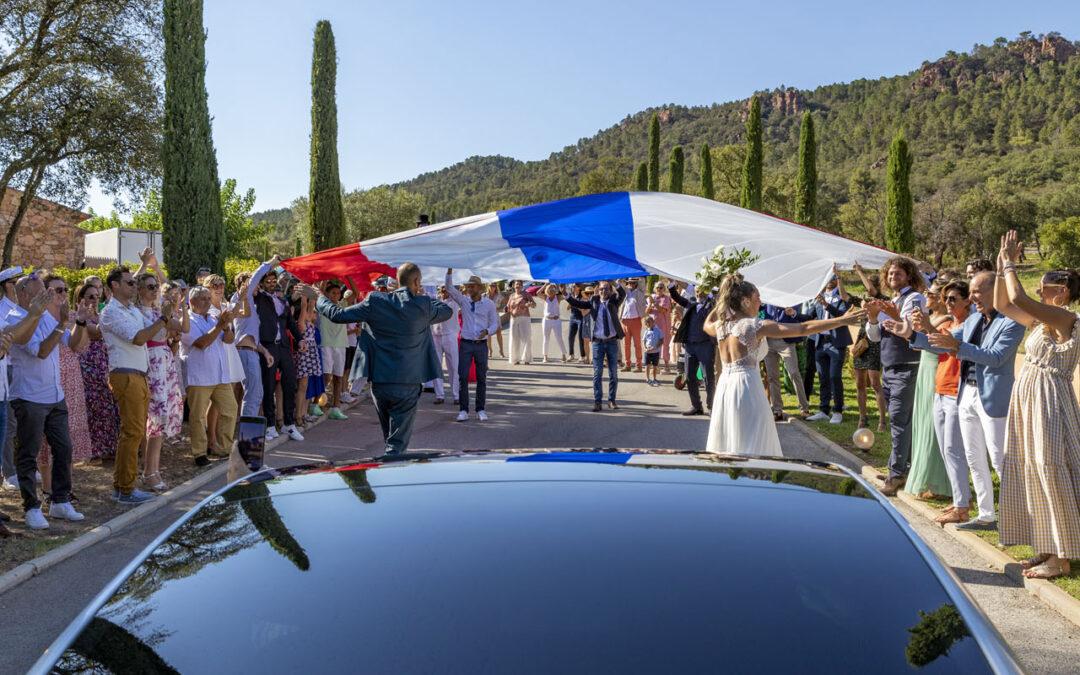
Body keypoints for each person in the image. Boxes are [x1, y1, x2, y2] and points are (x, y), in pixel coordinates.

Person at [888, 270, 1025, 525]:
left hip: (992, 398)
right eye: (971, 292)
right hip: (966, 393)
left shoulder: (1012, 322)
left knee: (998, 459)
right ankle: (986, 515)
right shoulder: (973, 321)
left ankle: (1016, 517)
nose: (973, 297)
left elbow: (995, 357)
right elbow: (943, 343)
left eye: (976, 291)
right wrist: (910, 335)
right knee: (973, 457)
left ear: (996, 292)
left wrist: (957, 346)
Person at [996, 231, 1080, 580]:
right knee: (1032, 465)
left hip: (1049, 401)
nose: (1039, 292)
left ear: (1060, 293)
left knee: (1049, 466)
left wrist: (1013, 263)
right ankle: (1047, 547)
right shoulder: (1043, 323)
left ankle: (1062, 557)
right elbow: (1003, 303)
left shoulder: (1066, 320)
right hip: (1030, 400)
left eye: (1044, 288)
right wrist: (1002, 267)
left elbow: (1018, 296)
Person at [703, 274, 864, 455]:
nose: (760, 302)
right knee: (753, 440)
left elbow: (706, 324)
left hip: (725, 386)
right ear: (745, 301)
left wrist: (722, 299)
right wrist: (841, 320)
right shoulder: (753, 326)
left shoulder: (720, 326)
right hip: (746, 387)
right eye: (757, 298)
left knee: (729, 439)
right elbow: (803, 328)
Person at [305, 263, 451, 455]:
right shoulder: (422, 305)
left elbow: (337, 315)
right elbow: (446, 311)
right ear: (416, 281)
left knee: (391, 438)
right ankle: (390, 469)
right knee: (396, 445)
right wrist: (421, 294)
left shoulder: (375, 301)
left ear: (396, 282)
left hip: (380, 381)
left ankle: (390, 472)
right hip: (408, 382)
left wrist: (319, 297)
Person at [10, 273, 90, 527]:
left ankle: (60, 501)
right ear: (24, 294)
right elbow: (42, 351)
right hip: (29, 397)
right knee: (29, 453)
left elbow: (73, 344)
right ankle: (31, 507)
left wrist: (79, 323)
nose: (46, 297)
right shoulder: (18, 320)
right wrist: (60, 324)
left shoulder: (48, 317)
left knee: (64, 448)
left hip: (55, 395)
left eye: (46, 292)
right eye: (39, 292)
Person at [100, 266, 168, 505]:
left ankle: (123, 486)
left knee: (134, 432)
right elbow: (139, 337)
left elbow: (155, 335)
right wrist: (164, 318)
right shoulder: (111, 312)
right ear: (115, 286)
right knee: (133, 432)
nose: (133, 286)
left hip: (138, 375)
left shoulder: (130, 310)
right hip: (125, 375)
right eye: (129, 282)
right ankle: (125, 488)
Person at [864, 256, 928, 496]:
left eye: (898, 274)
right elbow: (874, 337)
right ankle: (902, 466)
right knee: (899, 420)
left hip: (907, 366)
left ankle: (896, 474)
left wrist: (891, 314)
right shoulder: (891, 301)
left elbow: (911, 332)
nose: (893, 278)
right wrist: (872, 318)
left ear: (909, 276)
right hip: (889, 367)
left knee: (899, 421)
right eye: (890, 274)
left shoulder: (914, 299)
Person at [902, 279, 953, 501]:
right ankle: (924, 477)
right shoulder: (930, 316)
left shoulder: (946, 319)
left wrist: (924, 326)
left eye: (931, 294)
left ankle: (938, 482)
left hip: (936, 371)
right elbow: (915, 343)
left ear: (941, 298)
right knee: (922, 423)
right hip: (924, 369)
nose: (926, 297)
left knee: (934, 427)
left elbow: (936, 342)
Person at [928, 280, 973, 525]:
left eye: (953, 299)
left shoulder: (970, 325)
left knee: (954, 450)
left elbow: (934, 339)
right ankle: (961, 499)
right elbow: (925, 344)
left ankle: (962, 506)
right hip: (940, 389)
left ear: (968, 301)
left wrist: (927, 325)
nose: (948, 303)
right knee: (947, 450)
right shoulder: (949, 323)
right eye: (946, 299)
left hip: (957, 391)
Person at [134, 272, 184, 490]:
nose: (155, 290)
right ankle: (148, 471)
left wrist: (179, 304)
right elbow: (145, 336)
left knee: (162, 419)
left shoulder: (157, 310)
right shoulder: (136, 312)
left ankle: (154, 469)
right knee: (154, 418)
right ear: (139, 290)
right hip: (151, 364)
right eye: (150, 286)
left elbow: (182, 327)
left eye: (156, 286)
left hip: (165, 362)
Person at [182, 286, 237, 467]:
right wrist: (220, 325)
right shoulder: (187, 321)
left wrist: (227, 325)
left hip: (220, 376)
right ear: (192, 302)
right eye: (203, 299)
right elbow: (202, 343)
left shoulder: (213, 317)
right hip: (200, 376)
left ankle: (223, 448)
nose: (207, 301)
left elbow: (228, 340)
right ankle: (199, 453)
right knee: (197, 417)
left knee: (230, 410)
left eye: (208, 297)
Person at [254, 268, 303, 441]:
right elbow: (253, 283)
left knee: (290, 383)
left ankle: (289, 425)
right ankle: (269, 426)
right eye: (268, 281)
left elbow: (290, 323)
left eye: (274, 281)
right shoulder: (258, 298)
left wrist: (300, 339)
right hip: (267, 347)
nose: (272, 284)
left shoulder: (282, 300)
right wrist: (268, 266)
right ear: (261, 283)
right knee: (268, 386)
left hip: (283, 347)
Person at [444, 272, 499, 421]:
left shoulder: (489, 304)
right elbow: (449, 287)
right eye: (468, 286)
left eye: (472, 286)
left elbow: (495, 323)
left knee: (481, 377)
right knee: (462, 376)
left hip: (481, 345)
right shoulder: (463, 301)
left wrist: (487, 331)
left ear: (480, 288)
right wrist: (449, 272)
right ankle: (463, 410)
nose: (469, 289)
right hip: (466, 344)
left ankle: (480, 409)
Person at [565, 280, 626, 411]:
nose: (604, 291)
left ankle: (611, 400)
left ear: (610, 291)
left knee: (613, 374)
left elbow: (622, 293)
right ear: (598, 290)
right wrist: (566, 295)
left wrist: (614, 282)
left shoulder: (615, 301)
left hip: (611, 342)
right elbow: (577, 303)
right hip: (598, 343)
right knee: (597, 374)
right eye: (602, 289)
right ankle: (597, 402)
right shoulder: (593, 301)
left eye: (606, 289)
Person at [232, 256, 277, 417]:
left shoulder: (247, 302)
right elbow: (256, 277)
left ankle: (249, 437)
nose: (257, 285)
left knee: (255, 394)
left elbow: (251, 335)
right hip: (246, 353)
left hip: (251, 351)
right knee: (253, 394)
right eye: (254, 284)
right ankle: (248, 439)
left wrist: (265, 352)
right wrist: (271, 262)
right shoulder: (240, 298)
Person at [851, 263, 888, 431]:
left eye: (870, 286)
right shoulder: (864, 301)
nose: (868, 290)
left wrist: (859, 270)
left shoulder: (882, 301)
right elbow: (845, 296)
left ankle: (881, 420)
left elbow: (872, 290)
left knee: (875, 383)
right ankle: (862, 417)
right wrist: (838, 277)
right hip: (861, 342)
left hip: (874, 343)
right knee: (860, 384)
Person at [761, 303, 813, 421]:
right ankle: (777, 409)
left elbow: (798, 317)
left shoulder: (790, 299)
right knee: (772, 377)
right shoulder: (767, 300)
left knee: (794, 373)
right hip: (768, 342)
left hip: (786, 342)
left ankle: (804, 408)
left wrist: (792, 313)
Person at [671, 283, 716, 416]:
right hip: (690, 346)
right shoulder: (690, 302)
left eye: (701, 292)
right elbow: (675, 296)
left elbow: (717, 297)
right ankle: (696, 406)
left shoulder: (710, 303)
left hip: (705, 345)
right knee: (690, 377)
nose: (698, 294)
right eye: (697, 292)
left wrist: (714, 291)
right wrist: (672, 284)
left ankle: (711, 406)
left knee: (708, 377)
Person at [318, 281, 350, 420]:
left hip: (341, 344)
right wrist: (325, 278)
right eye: (333, 293)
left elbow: (354, 292)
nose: (336, 296)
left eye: (338, 293)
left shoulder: (342, 305)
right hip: (326, 344)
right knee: (326, 376)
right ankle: (316, 404)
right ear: (326, 294)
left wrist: (347, 275)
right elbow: (319, 292)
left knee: (338, 377)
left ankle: (335, 408)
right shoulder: (322, 305)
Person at [430, 285, 461, 405]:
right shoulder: (435, 301)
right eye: (441, 288)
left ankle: (456, 395)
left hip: (450, 335)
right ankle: (439, 395)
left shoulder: (455, 301)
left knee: (453, 367)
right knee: (436, 366)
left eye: (445, 288)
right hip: (436, 335)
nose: (443, 291)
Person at [619, 277, 646, 372]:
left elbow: (642, 281)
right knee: (626, 344)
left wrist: (637, 276)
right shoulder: (625, 291)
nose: (630, 284)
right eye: (629, 283)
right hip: (625, 320)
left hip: (636, 320)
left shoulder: (640, 291)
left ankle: (638, 365)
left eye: (633, 283)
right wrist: (623, 278)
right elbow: (618, 283)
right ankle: (627, 364)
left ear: (636, 284)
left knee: (637, 344)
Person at [506, 281, 535, 365]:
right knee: (514, 338)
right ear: (513, 286)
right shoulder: (511, 296)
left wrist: (530, 304)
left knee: (527, 338)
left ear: (522, 286)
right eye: (516, 284)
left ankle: (527, 359)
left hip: (524, 318)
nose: (517, 286)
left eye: (519, 284)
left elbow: (534, 304)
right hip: (514, 318)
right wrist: (507, 309)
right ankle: (515, 359)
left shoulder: (526, 294)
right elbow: (507, 307)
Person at [649, 281, 674, 374]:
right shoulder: (652, 297)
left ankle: (667, 367)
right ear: (655, 289)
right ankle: (656, 366)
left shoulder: (666, 298)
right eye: (657, 288)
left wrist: (654, 304)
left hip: (664, 325)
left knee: (664, 345)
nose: (659, 289)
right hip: (653, 325)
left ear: (664, 289)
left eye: (661, 287)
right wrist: (650, 306)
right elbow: (647, 311)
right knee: (654, 344)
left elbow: (663, 310)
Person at [539, 284, 568, 363]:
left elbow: (565, 295)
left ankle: (563, 355)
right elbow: (538, 293)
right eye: (550, 288)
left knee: (559, 337)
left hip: (556, 320)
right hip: (546, 320)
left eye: (553, 289)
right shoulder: (545, 297)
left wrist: (559, 287)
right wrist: (545, 284)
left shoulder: (558, 298)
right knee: (546, 338)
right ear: (547, 290)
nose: (551, 290)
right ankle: (545, 356)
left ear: (555, 290)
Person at [486, 282, 506, 359]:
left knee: (499, 333)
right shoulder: (484, 296)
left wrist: (500, 309)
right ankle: (490, 350)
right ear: (488, 286)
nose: (492, 287)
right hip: (487, 316)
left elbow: (505, 303)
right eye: (491, 285)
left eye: (494, 286)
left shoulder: (499, 295)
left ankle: (501, 351)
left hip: (495, 315)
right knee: (488, 334)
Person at [642, 314, 663, 386]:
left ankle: (654, 378)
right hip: (647, 352)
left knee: (655, 366)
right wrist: (645, 348)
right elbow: (644, 341)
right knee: (647, 366)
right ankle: (647, 379)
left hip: (655, 352)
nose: (648, 323)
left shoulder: (658, 330)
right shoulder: (646, 331)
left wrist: (656, 347)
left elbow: (661, 340)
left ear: (653, 322)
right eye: (647, 322)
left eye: (650, 322)